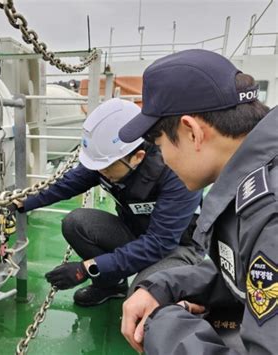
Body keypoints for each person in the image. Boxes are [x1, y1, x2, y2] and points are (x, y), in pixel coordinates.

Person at [118, 49, 277, 354]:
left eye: (159, 143)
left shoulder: (271, 211)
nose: (162, 158)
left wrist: (162, 324)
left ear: (192, 131)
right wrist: (162, 287)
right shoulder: (256, 179)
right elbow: (249, 276)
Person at [0, 98, 204, 307]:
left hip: (176, 247)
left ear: (137, 157)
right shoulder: (109, 162)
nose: (100, 172)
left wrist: (88, 268)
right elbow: (66, 184)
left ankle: (177, 292)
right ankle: (111, 285)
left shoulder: (176, 174)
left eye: (105, 167)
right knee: (76, 223)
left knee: (140, 300)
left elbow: (159, 243)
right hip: (136, 231)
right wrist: (19, 204)